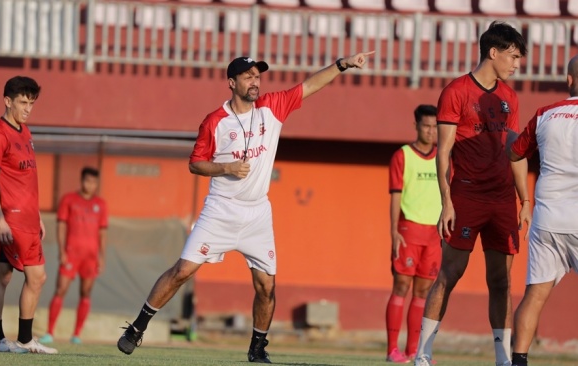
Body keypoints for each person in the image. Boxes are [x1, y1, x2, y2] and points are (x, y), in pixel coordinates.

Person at [115, 52, 374, 362]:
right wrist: (226, 168)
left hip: (258, 213)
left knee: (266, 285)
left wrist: (342, 65)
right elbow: (195, 164)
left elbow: (309, 86)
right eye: (248, 76)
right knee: (182, 271)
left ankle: (257, 348)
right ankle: (137, 328)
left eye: (258, 75)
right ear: (232, 82)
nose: (255, 81)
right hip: (221, 209)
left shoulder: (272, 107)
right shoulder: (215, 121)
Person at [413, 21, 531, 366]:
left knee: (500, 280)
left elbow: (514, 151)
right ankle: (423, 354)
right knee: (449, 274)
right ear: (492, 53)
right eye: (513, 56)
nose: (517, 64)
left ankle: (502, 358)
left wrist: (524, 200)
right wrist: (446, 202)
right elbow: (444, 151)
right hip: (466, 196)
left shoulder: (509, 97)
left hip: (502, 200)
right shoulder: (456, 91)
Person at [507, 55, 578, 366]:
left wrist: (525, 200)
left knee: (534, 296)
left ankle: (518, 361)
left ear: (569, 80)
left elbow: (515, 153)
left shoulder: (545, 113)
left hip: (547, 215)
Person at [0, 76, 57, 354]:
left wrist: (36, 216)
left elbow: (26, 179)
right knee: (9, 275)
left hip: (27, 219)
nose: (28, 108)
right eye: (23, 102)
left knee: (25, 276)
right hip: (8, 219)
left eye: (32, 103)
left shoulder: (25, 132)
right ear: (7, 101)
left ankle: (21, 339)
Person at [385, 105, 441, 363]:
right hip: (408, 230)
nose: (431, 131)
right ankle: (392, 350)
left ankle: (414, 351)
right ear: (416, 126)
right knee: (401, 286)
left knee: (423, 292)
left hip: (434, 235)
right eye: (426, 126)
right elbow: (395, 196)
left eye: (434, 126)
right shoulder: (403, 155)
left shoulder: (444, 156)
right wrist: (394, 232)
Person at [39, 167, 108, 345]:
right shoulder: (69, 199)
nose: (90, 185)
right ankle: (49, 332)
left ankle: (76, 334)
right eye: (87, 181)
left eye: (93, 182)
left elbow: (102, 232)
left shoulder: (101, 204)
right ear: (81, 180)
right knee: (60, 289)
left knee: (85, 292)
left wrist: (102, 256)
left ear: (97, 183)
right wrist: (62, 251)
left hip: (91, 256)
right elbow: (61, 226)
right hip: (71, 254)